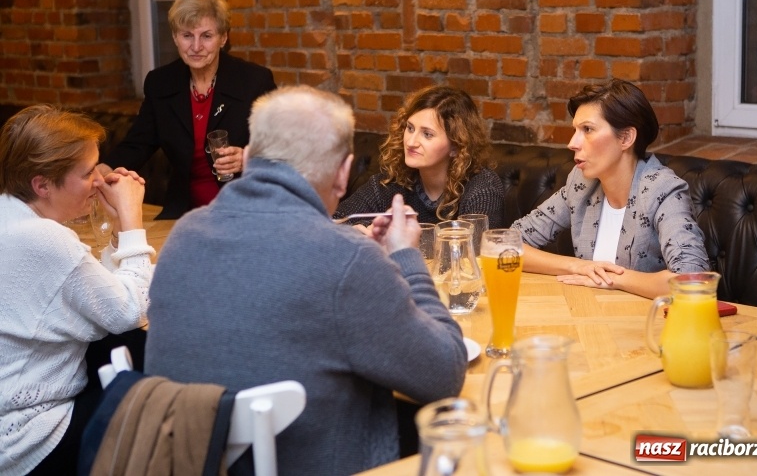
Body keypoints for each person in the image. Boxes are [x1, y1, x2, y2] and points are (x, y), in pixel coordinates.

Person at [144, 85, 467, 476]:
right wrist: (405, 256)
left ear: (249, 154)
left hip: (184, 462)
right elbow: (445, 374)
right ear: (343, 173)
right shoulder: (345, 259)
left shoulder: (183, 234)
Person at [0, 105, 154, 475]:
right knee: (164, 401)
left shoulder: (11, 215)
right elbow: (131, 310)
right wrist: (132, 219)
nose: (99, 181)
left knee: (129, 346)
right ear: (42, 185)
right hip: (30, 437)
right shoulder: (44, 239)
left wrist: (120, 231)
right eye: (87, 173)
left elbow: (92, 295)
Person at [512, 79, 709, 299]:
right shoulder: (582, 184)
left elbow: (694, 282)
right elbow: (506, 245)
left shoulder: (662, 190)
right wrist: (577, 266)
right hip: (590, 312)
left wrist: (613, 279)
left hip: (648, 318)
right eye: (576, 130)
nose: (572, 143)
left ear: (626, 138)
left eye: (587, 129)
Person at [102, 0, 277, 219]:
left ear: (223, 38)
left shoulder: (254, 81)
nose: (196, 47)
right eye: (187, 35)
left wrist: (248, 157)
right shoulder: (161, 83)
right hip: (184, 213)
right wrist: (102, 169)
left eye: (206, 36)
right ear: (175, 37)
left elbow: (283, 147)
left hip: (246, 209)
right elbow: (138, 144)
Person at [334, 84, 505, 230]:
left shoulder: (482, 188)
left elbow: (474, 249)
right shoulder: (390, 183)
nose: (411, 142)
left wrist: (394, 237)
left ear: (456, 146)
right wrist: (366, 230)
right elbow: (334, 221)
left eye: (427, 134)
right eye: (410, 128)